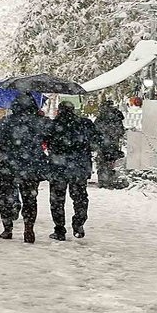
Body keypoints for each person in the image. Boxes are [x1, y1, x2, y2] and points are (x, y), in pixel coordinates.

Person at [0, 93, 49, 243]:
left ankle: (7, 228)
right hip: (32, 166)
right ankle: (28, 228)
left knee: (6, 197)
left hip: (7, 166)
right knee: (30, 199)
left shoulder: (6, 122)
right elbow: (50, 139)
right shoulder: (39, 123)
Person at [46, 101, 101, 240]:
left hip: (58, 168)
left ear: (59, 110)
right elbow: (97, 141)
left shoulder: (52, 125)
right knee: (80, 197)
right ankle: (79, 223)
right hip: (79, 167)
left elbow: (43, 141)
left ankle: (59, 229)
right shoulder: (85, 124)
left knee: (57, 200)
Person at [95, 102, 126, 188]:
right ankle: (111, 178)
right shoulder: (116, 117)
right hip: (113, 143)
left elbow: (96, 130)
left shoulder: (101, 117)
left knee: (102, 161)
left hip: (102, 144)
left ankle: (103, 180)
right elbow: (121, 131)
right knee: (112, 160)